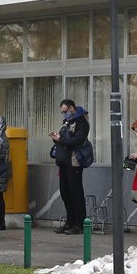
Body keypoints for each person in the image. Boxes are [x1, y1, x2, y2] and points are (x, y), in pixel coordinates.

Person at [49, 99, 89, 235]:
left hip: (74, 163)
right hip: (63, 162)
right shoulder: (67, 122)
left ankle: (79, 224)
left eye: (65, 112)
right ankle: (70, 221)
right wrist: (56, 137)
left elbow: (77, 140)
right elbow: (65, 138)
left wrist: (61, 139)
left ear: (72, 108)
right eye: (62, 112)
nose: (64, 114)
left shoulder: (81, 122)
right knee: (65, 193)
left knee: (75, 193)